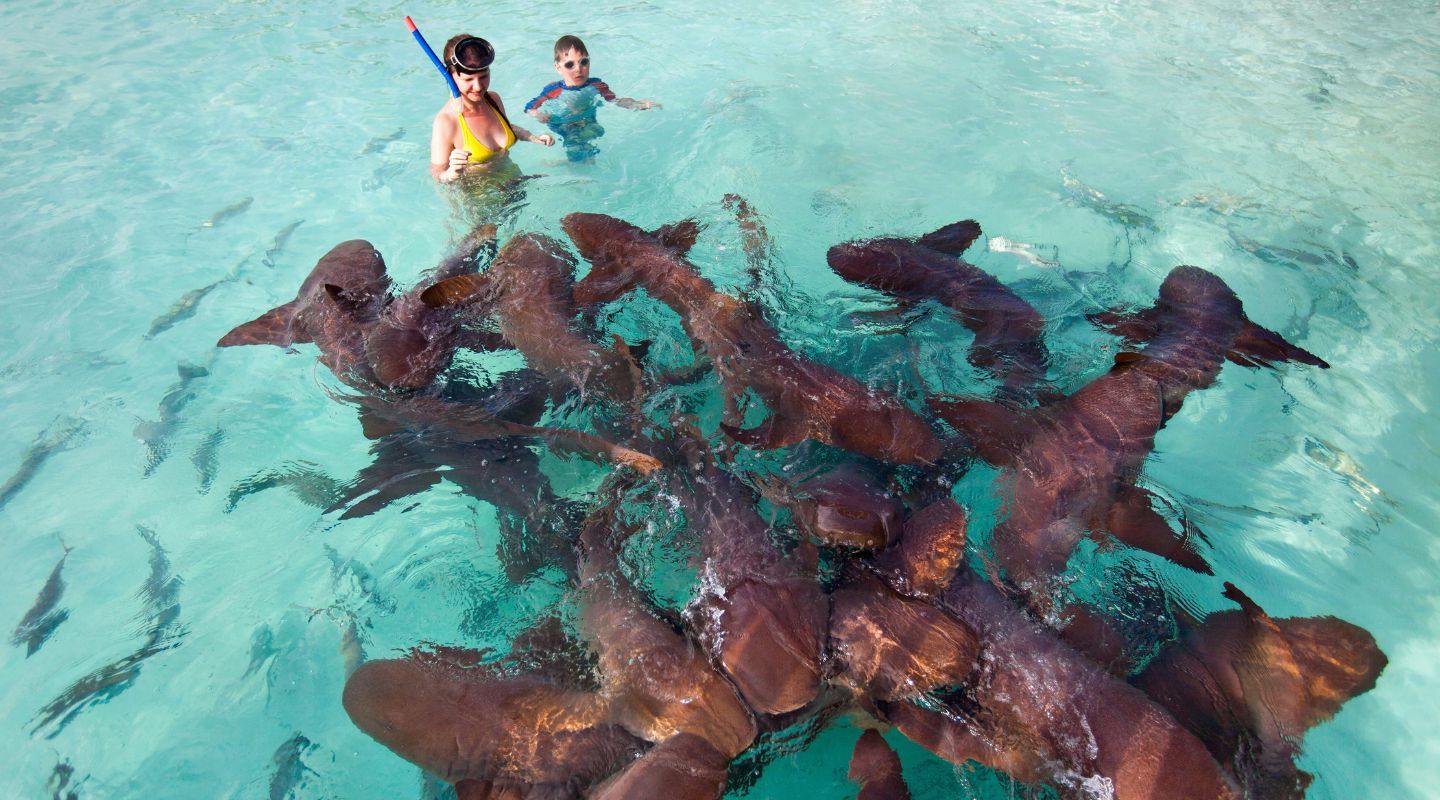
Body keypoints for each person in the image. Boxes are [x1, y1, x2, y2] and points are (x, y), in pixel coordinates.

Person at [429, 34, 555, 184]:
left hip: (515, 184)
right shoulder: (446, 121)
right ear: (450, 76)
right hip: (480, 202)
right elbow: (436, 173)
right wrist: (450, 173)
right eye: (468, 79)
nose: (478, 87)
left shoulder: (493, 99)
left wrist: (532, 137)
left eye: (483, 76)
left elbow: (507, 128)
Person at [524, 35, 659, 161]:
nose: (578, 69)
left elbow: (615, 100)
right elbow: (530, 107)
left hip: (587, 119)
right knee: (577, 148)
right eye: (570, 65)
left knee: (598, 132)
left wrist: (636, 104)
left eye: (583, 62)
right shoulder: (554, 90)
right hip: (563, 123)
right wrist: (538, 115)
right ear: (558, 67)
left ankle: (571, 162)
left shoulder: (597, 84)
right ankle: (575, 166)